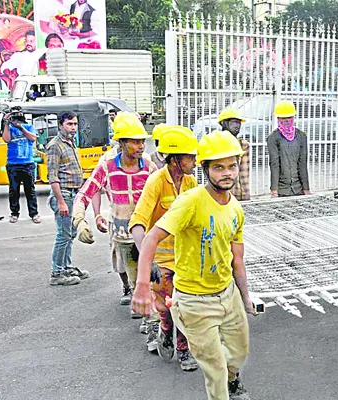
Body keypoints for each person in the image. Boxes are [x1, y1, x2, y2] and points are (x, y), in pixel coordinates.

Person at [132, 130, 258, 400]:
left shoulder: (235, 208)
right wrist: (142, 285)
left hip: (227, 294)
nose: (227, 173)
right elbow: (150, 234)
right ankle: (171, 336)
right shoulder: (188, 201)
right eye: (219, 167)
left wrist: (245, 297)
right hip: (194, 299)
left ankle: (232, 379)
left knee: (238, 354)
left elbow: (237, 259)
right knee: (214, 370)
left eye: (232, 166)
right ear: (206, 169)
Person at [129, 126, 199, 369]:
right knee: (169, 308)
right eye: (190, 156)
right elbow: (137, 222)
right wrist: (149, 262)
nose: (195, 161)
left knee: (185, 306)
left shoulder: (191, 182)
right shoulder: (156, 182)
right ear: (176, 159)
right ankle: (165, 328)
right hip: (163, 259)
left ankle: (183, 349)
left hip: (186, 258)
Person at [72, 112, 155, 305]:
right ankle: (133, 295)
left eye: (142, 142)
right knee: (125, 268)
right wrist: (80, 220)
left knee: (148, 272)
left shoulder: (149, 166)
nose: (141, 146)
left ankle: (147, 315)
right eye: (135, 142)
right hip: (121, 230)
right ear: (122, 143)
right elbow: (84, 193)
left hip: (145, 230)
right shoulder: (108, 166)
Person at [45, 111, 89, 286]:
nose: (73, 127)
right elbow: (52, 177)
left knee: (70, 233)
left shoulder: (71, 143)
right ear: (60, 125)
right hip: (64, 194)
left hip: (74, 194)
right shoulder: (55, 145)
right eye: (69, 124)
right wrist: (61, 201)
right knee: (63, 235)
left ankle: (66, 266)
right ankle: (56, 273)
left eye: (75, 124)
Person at [1, 107, 40, 224]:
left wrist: (21, 128)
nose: (16, 117)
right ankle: (14, 213)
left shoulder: (28, 127)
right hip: (13, 164)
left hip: (27, 163)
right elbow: (6, 140)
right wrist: (7, 123)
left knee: (30, 190)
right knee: (14, 190)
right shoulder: (9, 128)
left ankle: (34, 213)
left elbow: (33, 138)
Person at [267, 100, 310, 197]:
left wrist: (306, 189)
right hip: (282, 189)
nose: (286, 121)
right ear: (278, 118)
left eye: (289, 117)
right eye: (283, 118)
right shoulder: (273, 138)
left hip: (298, 188)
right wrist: (274, 190)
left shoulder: (301, 136)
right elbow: (274, 164)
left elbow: (302, 163)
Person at [218, 108, 250, 201]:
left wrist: (246, 196)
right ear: (223, 124)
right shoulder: (215, 144)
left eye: (238, 123)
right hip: (221, 194)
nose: (237, 126)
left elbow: (244, 174)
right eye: (233, 123)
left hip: (238, 194)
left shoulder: (243, 145)